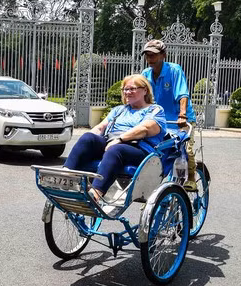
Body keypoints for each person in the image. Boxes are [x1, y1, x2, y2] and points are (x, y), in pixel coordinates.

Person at [63, 74, 166, 202]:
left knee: (115, 149)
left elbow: (145, 129)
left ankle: (95, 194)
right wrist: (88, 140)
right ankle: (65, 178)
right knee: (88, 138)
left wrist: (120, 139)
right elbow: (100, 128)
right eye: (125, 89)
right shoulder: (119, 110)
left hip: (139, 148)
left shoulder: (155, 110)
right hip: (112, 142)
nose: (127, 92)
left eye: (132, 89)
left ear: (145, 90)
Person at [140, 39, 198, 192]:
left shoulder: (174, 70)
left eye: (153, 55)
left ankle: (191, 177)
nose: (150, 59)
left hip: (179, 119)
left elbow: (182, 94)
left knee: (185, 148)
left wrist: (183, 115)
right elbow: (142, 97)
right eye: (147, 56)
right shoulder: (145, 74)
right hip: (159, 120)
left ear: (163, 55)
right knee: (152, 150)